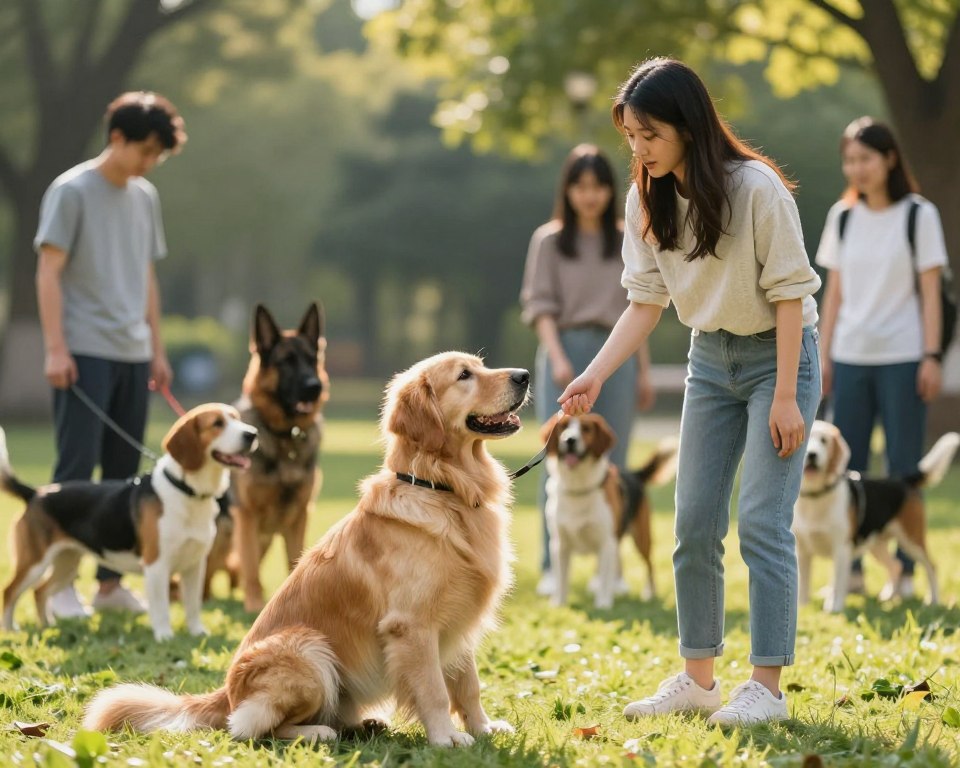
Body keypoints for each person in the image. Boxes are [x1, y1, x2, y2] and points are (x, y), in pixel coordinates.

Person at [558, 58, 821, 725]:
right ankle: (699, 679)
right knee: (693, 523)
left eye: (649, 134)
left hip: (776, 360)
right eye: (630, 136)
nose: (637, 149)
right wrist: (595, 374)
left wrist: (787, 396)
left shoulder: (757, 189)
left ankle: (767, 687)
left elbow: (791, 296)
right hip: (711, 362)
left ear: (689, 126)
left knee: (762, 522)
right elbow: (645, 302)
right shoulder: (645, 197)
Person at [34, 91, 185, 619]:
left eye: (157, 156)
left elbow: (146, 276)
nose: (149, 163)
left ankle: (109, 585)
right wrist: (56, 347)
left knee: (125, 472)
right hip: (83, 349)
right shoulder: (71, 191)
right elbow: (48, 271)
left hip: (133, 352)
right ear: (116, 137)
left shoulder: (145, 197)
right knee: (76, 468)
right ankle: (59, 588)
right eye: (144, 151)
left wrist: (156, 348)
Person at [815, 117, 948, 599]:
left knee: (902, 464)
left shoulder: (918, 215)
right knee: (844, 468)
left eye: (865, 158)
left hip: (904, 354)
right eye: (849, 160)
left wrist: (932, 356)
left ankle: (907, 573)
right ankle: (850, 570)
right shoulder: (843, 217)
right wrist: (823, 355)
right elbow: (834, 294)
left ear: (889, 158)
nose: (857, 168)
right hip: (849, 355)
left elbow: (931, 293)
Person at [520, 144, 655, 598]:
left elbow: (642, 304)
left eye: (598, 186)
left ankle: (609, 569)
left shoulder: (628, 236)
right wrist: (557, 357)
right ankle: (549, 565)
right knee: (557, 457)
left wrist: (643, 370)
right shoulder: (549, 240)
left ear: (609, 190)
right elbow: (540, 306)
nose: (589, 195)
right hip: (564, 347)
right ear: (568, 190)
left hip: (617, 350)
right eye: (580, 186)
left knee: (610, 459)